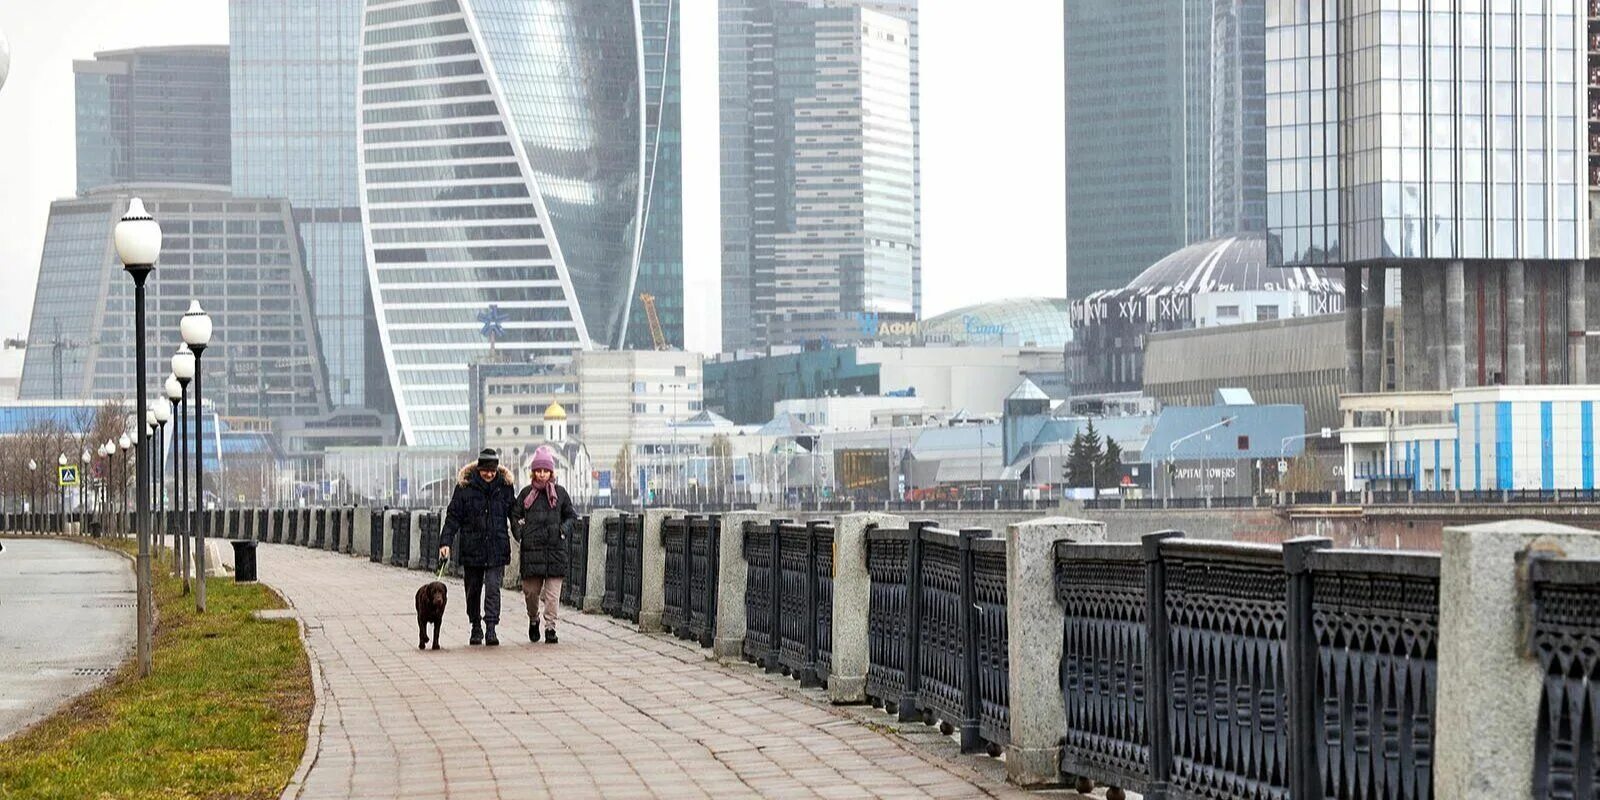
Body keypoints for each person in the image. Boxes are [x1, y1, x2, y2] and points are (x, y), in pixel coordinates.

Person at [438, 448, 516, 646]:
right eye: (485, 470)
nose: (489, 474)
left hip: (497, 546)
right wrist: (445, 542)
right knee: (473, 590)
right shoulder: (465, 487)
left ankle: (491, 628)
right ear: (479, 469)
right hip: (472, 547)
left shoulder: (505, 487)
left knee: (492, 588)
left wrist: (522, 533)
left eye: (492, 470)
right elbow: (453, 516)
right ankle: (475, 625)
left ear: (497, 470)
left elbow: (514, 513)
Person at [510, 445, 578, 643]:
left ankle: (550, 627)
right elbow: (514, 515)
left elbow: (571, 516)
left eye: (545, 471)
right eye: (538, 471)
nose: (542, 474)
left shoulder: (560, 494)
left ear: (551, 472)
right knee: (531, 593)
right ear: (533, 472)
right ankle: (534, 619)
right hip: (532, 553)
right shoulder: (525, 494)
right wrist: (520, 533)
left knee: (552, 596)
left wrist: (563, 531)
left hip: (555, 551)